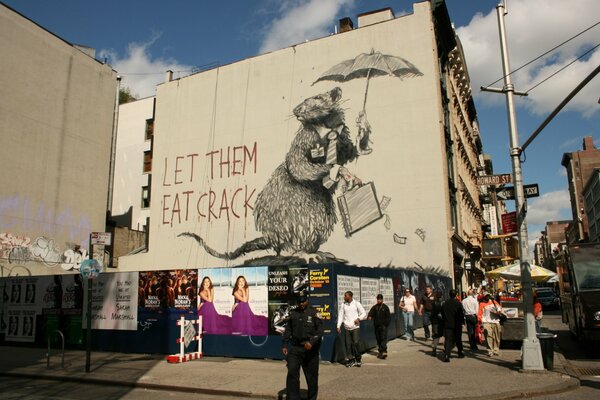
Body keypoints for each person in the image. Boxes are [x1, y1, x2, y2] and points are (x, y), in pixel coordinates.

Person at [282, 295, 323, 400]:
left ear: (307, 301)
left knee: (312, 377)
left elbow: (320, 331)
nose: (301, 304)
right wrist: (285, 344)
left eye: (303, 302)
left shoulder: (314, 313)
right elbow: (288, 330)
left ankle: (312, 398)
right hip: (296, 348)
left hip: (310, 350)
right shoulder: (293, 313)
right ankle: (293, 397)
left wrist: (312, 342)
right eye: (299, 302)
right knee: (292, 372)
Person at [337, 291, 366, 367]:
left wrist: (358, 319)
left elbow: (363, 313)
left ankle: (358, 359)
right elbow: (340, 315)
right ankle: (351, 360)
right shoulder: (343, 305)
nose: (344, 297)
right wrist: (338, 326)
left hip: (355, 327)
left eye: (345, 296)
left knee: (356, 343)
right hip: (347, 328)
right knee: (348, 344)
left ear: (350, 296)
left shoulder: (356, 303)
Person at [441, 289, 465, 362]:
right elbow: (461, 314)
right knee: (458, 339)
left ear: (449, 294)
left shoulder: (445, 303)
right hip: (457, 324)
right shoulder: (458, 303)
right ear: (456, 295)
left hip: (448, 324)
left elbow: (442, 313)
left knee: (448, 340)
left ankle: (447, 355)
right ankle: (460, 352)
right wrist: (463, 322)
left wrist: (445, 320)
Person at [478, 292, 503, 356]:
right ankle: (490, 350)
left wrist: (499, 311)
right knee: (489, 336)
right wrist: (480, 323)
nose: (487, 297)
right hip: (486, 322)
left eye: (488, 296)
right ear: (483, 297)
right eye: (486, 296)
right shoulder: (482, 304)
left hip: (496, 321)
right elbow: (479, 314)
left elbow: (500, 308)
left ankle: (496, 349)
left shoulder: (494, 302)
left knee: (497, 336)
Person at [367, 294, 391, 359]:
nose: (379, 300)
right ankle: (380, 352)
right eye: (378, 299)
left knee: (383, 339)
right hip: (376, 326)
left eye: (380, 299)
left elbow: (388, 317)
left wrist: (385, 324)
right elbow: (371, 313)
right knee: (378, 339)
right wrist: (369, 316)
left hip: (383, 326)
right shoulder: (375, 307)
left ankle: (384, 351)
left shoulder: (385, 307)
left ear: (382, 300)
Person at [430, 290, 444, 357]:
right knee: (445, 335)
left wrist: (432, 321)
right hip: (442, 322)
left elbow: (432, 314)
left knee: (436, 336)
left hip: (435, 322)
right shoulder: (444, 303)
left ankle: (434, 349)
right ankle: (446, 349)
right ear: (442, 296)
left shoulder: (433, 303)